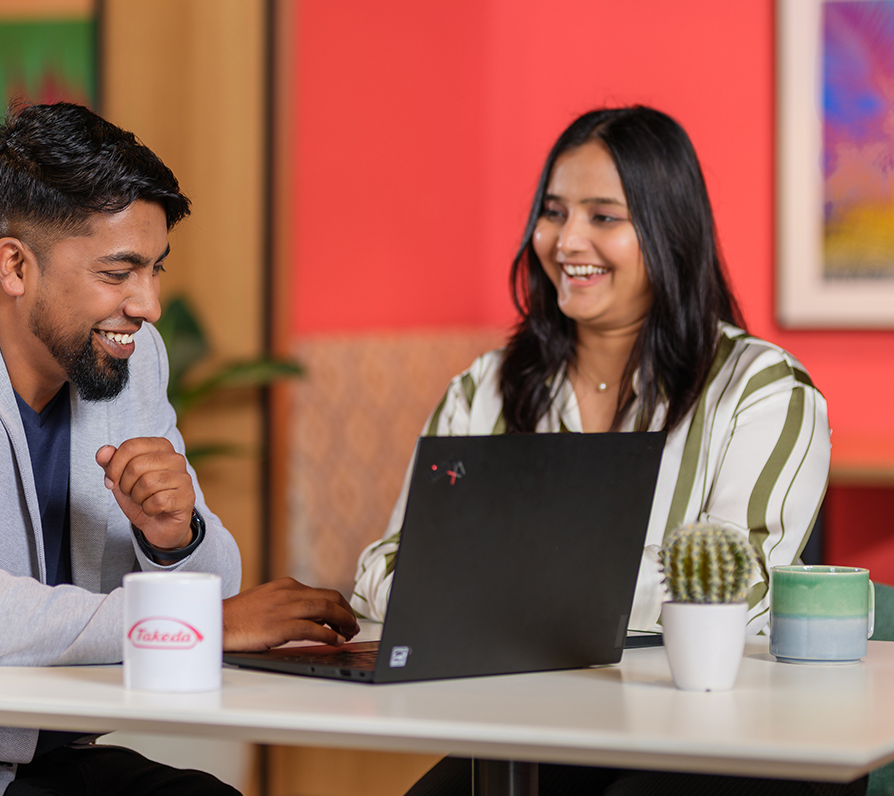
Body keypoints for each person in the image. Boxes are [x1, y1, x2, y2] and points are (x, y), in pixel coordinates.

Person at [0, 102, 357, 795]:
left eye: (156, 269)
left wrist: (174, 536)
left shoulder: (129, 359)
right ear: (14, 264)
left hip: (50, 753)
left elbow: (214, 591)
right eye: (118, 272)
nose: (149, 304)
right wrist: (205, 622)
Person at [353, 107, 862, 796]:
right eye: (554, 212)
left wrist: (491, 590)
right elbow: (386, 567)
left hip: (726, 739)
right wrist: (567, 595)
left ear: (667, 230)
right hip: (540, 730)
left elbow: (739, 591)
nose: (566, 241)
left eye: (603, 217)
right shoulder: (485, 389)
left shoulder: (761, 391)